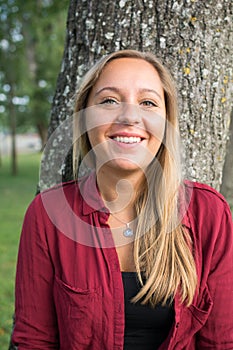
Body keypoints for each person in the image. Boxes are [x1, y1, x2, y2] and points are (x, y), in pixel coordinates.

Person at [12, 50, 233, 349]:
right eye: (109, 100)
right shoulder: (48, 215)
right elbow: (34, 341)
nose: (129, 116)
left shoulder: (209, 214)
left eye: (148, 103)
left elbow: (221, 342)